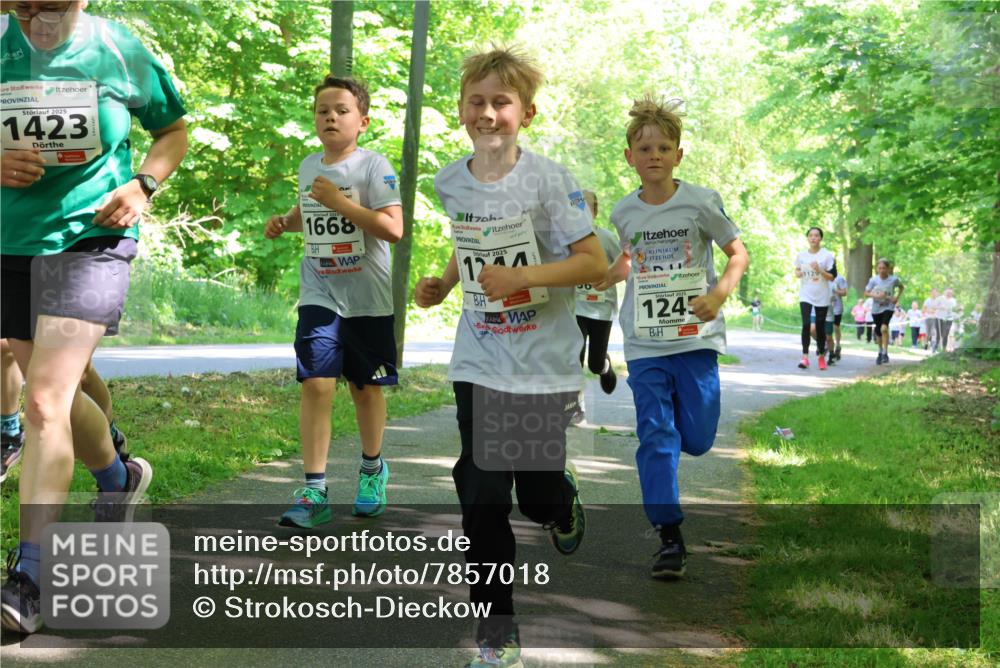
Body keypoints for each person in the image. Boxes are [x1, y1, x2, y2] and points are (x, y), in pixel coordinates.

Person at [414, 47, 606, 666]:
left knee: (535, 497)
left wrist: (524, 281)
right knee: (483, 492)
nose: (488, 113)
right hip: (481, 357)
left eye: (501, 102)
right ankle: (497, 637)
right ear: (462, 108)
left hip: (542, 361)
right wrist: (446, 284)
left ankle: (560, 500)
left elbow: (591, 262)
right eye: (477, 101)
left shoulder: (549, 179)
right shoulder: (450, 178)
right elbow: (469, 242)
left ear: (526, 111)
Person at [0, 0, 187, 635]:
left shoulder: (116, 47)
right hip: (10, 240)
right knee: (49, 398)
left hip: (91, 241)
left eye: (50, 6)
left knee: (46, 402)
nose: (37, 18)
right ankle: (117, 475)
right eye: (25, 7)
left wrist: (143, 186)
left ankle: (30, 574)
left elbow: (174, 129)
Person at [595, 96, 749, 580]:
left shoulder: (700, 202)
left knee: (698, 438)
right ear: (630, 157)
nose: (654, 155)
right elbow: (629, 258)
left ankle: (673, 457)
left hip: (695, 336)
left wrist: (719, 296)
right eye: (645, 148)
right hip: (644, 341)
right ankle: (668, 535)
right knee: (657, 435)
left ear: (679, 155)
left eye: (664, 147)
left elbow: (737, 255)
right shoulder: (624, 211)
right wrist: (607, 275)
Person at [264, 76, 403, 529]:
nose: (330, 116)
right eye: (323, 110)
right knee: (317, 384)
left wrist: (339, 202)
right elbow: (311, 209)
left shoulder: (374, 166)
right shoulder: (309, 166)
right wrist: (286, 222)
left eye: (341, 110)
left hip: (368, 298)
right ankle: (315, 490)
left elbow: (392, 228)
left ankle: (371, 469)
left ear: (362, 121)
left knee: (365, 388)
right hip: (320, 292)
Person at [573, 189, 620, 424]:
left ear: (595, 211)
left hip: (602, 308)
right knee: (574, 355)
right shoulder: (566, 239)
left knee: (593, 362)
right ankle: (576, 406)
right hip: (575, 307)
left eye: (585, 207)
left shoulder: (607, 238)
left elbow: (625, 264)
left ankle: (604, 365)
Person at [794, 227, 836, 370]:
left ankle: (821, 357)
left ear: (820, 238)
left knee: (819, 326)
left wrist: (820, 270)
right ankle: (805, 357)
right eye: (811, 235)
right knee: (806, 324)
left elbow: (832, 277)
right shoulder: (801, 255)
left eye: (816, 235)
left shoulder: (827, 256)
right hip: (806, 294)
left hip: (822, 295)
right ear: (808, 238)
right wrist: (798, 273)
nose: (813, 238)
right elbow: (797, 270)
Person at [864, 258, 904, 365]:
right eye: (880, 268)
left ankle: (885, 353)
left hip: (888, 307)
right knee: (878, 331)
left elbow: (901, 287)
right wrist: (875, 295)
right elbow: (866, 293)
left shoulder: (893, 279)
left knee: (884, 328)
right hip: (876, 309)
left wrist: (896, 297)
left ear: (888, 269)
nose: (882, 270)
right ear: (877, 269)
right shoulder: (873, 280)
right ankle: (880, 352)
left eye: (884, 268)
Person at [828, 273, 848, 363]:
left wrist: (836, 291)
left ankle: (838, 345)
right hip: (825, 306)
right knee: (826, 328)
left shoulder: (839, 278)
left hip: (837, 306)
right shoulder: (822, 276)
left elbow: (844, 292)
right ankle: (828, 345)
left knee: (836, 327)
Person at [937, 287, 959, 352]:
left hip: (949, 319)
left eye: (950, 293)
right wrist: (941, 307)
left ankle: (944, 348)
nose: (949, 294)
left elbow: (955, 309)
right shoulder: (940, 298)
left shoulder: (954, 300)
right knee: (940, 333)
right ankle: (937, 346)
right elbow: (935, 306)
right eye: (948, 292)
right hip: (940, 318)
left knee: (946, 333)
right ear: (945, 292)